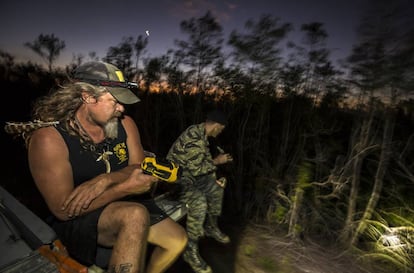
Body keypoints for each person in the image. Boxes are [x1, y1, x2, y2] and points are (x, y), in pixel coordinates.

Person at [11, 61, 188, 273]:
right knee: (134, 215)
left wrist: (105, 180)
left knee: (177, 240)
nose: (121, 109)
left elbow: (139, 166)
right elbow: (64, 210)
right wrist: (124, 188)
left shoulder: (125, 124)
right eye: (115, 101)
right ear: (87, 96)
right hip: (79, 219)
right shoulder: (49, 139)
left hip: (124, 201)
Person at [166, 109, 233, 273]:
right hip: (175, 181)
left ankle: (211, 227)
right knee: (199, 202)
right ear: (217, 126)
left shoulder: (203, 135)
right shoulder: (194, 137)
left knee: (217, 188)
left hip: (189, 176)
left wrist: (213, 179)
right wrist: (218, 161)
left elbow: (200, 165)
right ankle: (190, 251)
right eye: (221, 129)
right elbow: (197, 169)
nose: (221, 132)